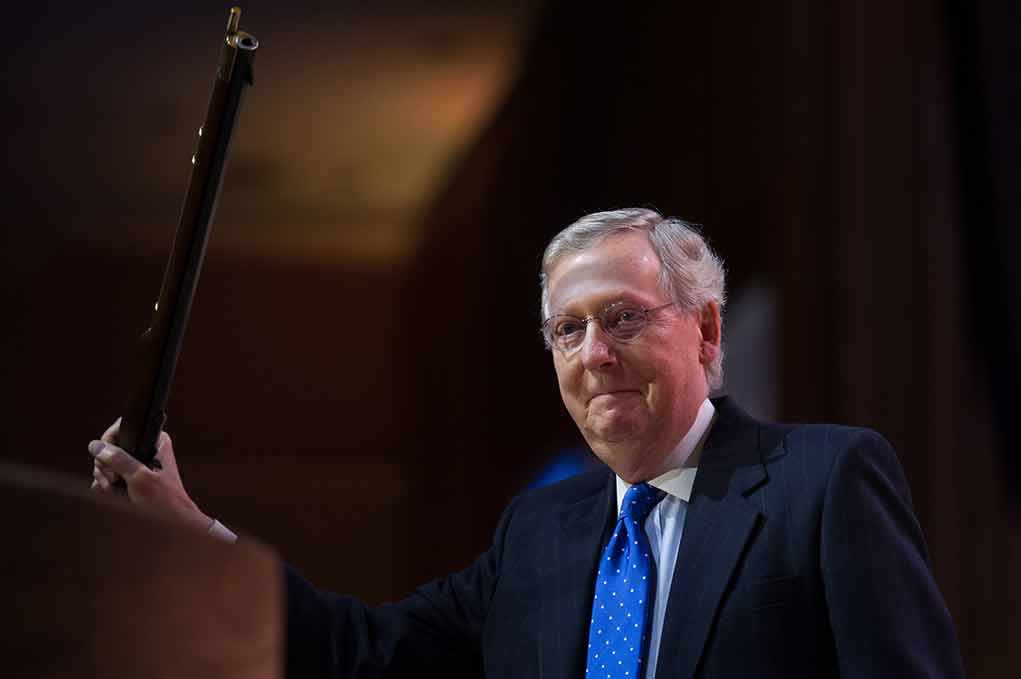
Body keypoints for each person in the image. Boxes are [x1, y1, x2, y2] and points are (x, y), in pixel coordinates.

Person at [90, 208, 966, 678]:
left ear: (704, 329)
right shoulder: (538, 532)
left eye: (623, 318)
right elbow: (362, 653)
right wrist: (188, 531)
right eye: (566, 329)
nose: (593, 354)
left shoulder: (822, 481)